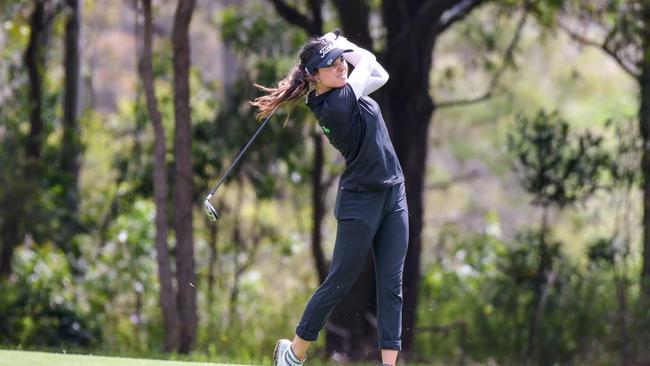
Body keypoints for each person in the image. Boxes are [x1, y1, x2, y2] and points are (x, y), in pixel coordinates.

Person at [250, 31, 409, 366]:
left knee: (392, 284)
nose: (340, 67)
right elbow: (366, 62)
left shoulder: (344, 91)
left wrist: (337, 47)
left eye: (339, 62)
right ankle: (293, 353)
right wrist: (345, 45)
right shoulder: (335, 105)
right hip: (360, 200)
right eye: (331, 64)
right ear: (313, 76)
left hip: (393, 192)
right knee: (340, 280)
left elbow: (381, 74)